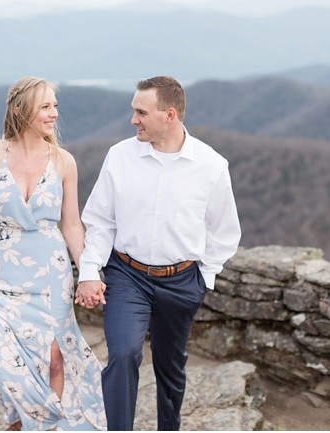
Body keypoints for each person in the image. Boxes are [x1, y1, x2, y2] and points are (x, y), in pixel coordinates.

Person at [75, 76, 241, 431]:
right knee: (123, 353)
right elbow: (100, 220)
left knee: (170, 366)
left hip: (182, 282)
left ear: (169, 115)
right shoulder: (120, 156)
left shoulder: (211, 166)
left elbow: (225, 232)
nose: (133, 119)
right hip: (126, 275)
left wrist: (202, 277)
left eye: (140, 112)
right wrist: (90, 271)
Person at [0, 76, 107, 431]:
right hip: (1, 275)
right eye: (46, 106)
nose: (54, 113)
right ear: (22, 110)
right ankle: (22, 422)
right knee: (5, 366)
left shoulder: (64, 161)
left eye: (55, 105)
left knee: (54, 361)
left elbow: (71, 224)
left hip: (51, 275)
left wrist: (88, 273)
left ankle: (45, 428)